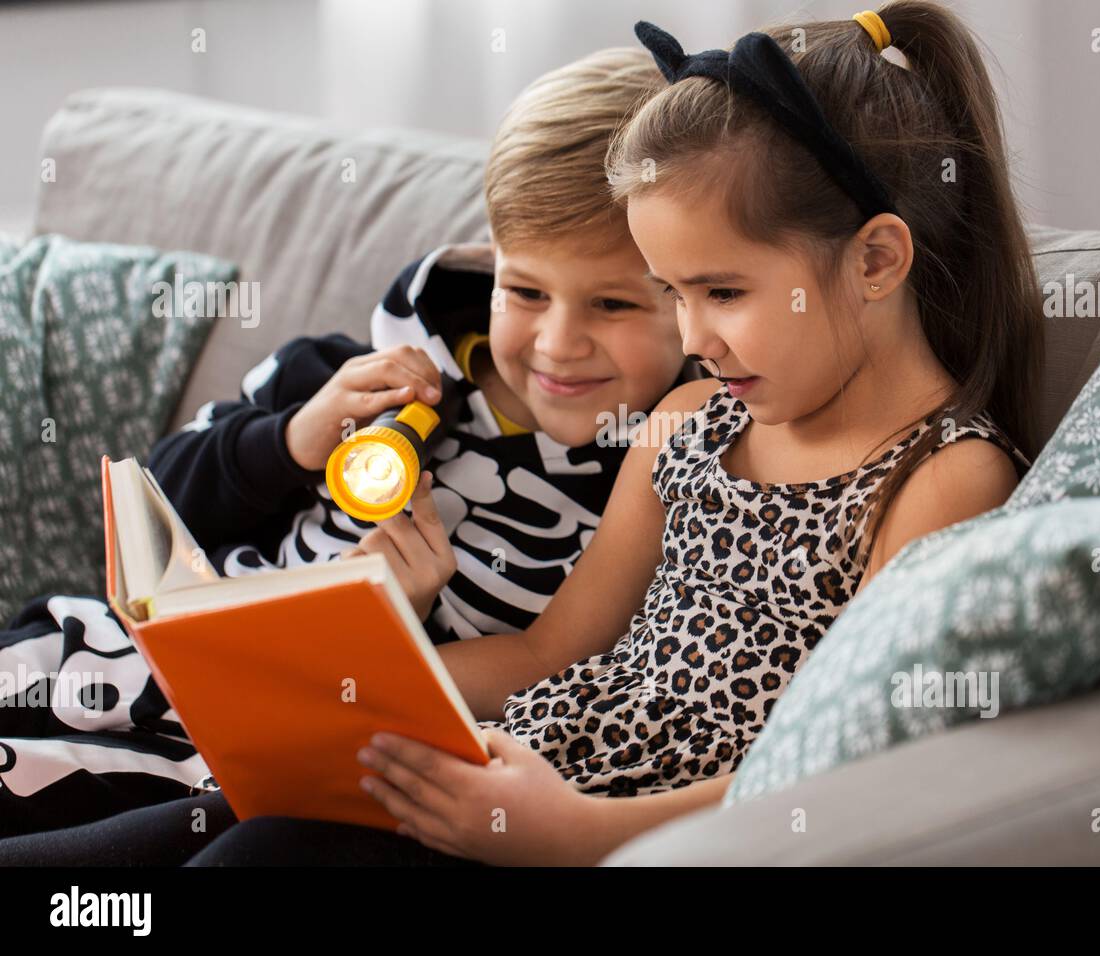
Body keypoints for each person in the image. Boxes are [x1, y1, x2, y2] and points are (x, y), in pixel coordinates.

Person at [0, 1, 1043, 865]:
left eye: (720, 291)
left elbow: (847, 757)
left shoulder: (944, 477)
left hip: (576, 827)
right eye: (674, 295)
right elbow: (550, 648)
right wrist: (340, 688)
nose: (694, 338)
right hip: (479, 770)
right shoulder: (684, 423)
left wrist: (574, 832)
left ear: (874, 261)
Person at [0, 46, 691, 837]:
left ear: (691, 297)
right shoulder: (351, 377)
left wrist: (379, 631)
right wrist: (289, 442)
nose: (558, 344)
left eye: (611, 304)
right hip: (125, 656)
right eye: (525, 291)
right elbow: (160, 506)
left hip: (265, 749)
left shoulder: (661, 479)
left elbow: (556, 676)